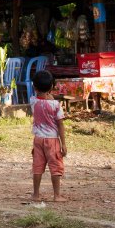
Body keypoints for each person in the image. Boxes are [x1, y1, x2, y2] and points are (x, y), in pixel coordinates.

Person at [29, 70, 67, 202]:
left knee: (37, 166)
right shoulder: (56, 105)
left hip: (38, 139)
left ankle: (36, 194)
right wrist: (64, 144)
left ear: (34, 87)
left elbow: (39, 97)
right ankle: (57, 195)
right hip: (52, 140)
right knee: (55, 166)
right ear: (52, 87)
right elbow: (60, 125)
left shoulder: (33, 101)